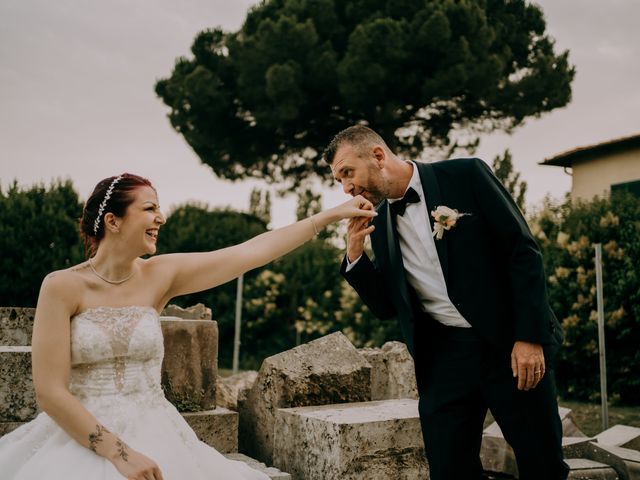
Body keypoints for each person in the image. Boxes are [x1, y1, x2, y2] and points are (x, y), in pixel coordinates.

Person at [0, 172, 376, 480]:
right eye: (149, 208)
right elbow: (50, 392)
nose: (161, 217)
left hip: (157, 431)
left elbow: (250, 253)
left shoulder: (161, 275)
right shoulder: (61, 285)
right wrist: (120, 453)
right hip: (79, 438)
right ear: (113, 221)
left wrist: (329, 216)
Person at [325, 125, 570, 480]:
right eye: (338, 180)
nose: (346, 188)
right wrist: (355, 256)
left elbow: (522, 252)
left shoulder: (466, 175)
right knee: (448, 470)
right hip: (445, 360)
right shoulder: (381, 227)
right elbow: (387, 307)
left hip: (510, 346)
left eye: (347, 172)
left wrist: (529, 337)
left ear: (378, 156)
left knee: (542, 464)